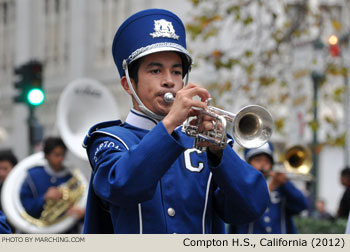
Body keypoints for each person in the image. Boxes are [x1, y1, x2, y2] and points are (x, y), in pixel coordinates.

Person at [82, 8, 270, 234]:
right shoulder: (109, 140)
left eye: (176, 71)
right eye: (155, 71)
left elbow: (252, 207)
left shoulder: (206, 144)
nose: (169, 81)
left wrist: (220, 152)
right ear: (128, 84)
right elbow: (123, 186)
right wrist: (170, 123)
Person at [229, 142, 309, 234]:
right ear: (248, 163)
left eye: (267, 161)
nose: (263, 165)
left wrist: (285, 183)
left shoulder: (281, 188)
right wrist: (269, 188)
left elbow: (302, 205)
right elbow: (245, 208)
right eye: (258, 160)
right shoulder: (241, 187)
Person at [20, 137, 85, 233]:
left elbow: (81, 208)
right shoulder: (32, 176)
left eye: (63, 155)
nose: (60, 159)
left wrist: (81, 214)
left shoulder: (72, 177)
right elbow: (25, 209)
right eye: (56, 155)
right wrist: (44, 198)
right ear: (46, 155)